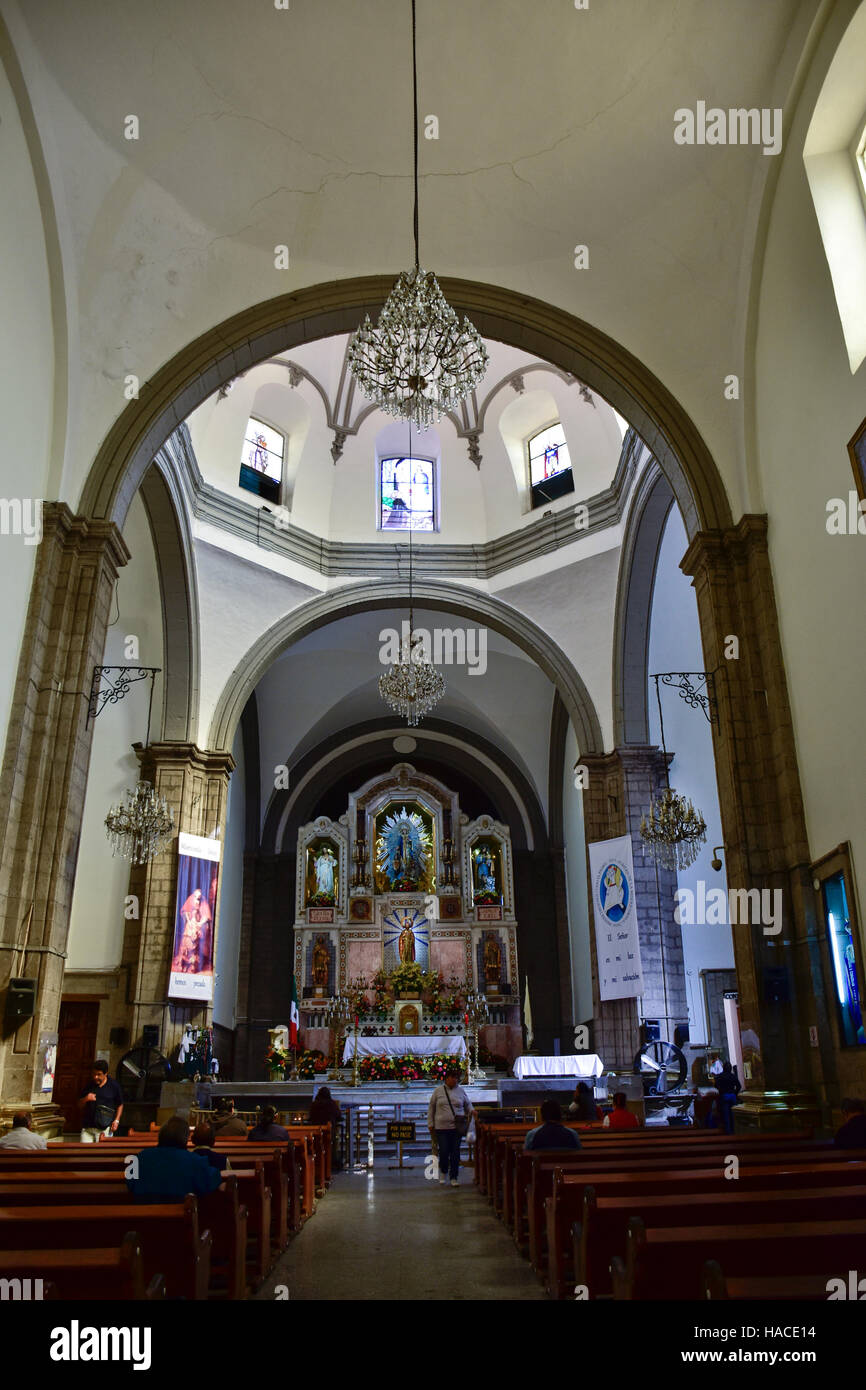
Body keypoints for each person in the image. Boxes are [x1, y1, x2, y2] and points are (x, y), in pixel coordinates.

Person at [126, 1116, 223, 1204]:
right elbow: (212, 1179)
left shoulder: (140, 1157)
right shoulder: (196, 1161)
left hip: (143, 1218)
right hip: (181, 1221)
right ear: (185, 1139)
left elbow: (130, 1183)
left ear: (161, 1135)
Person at [428, 1067, 473, 1187]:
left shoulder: (461, 1091)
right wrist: (430, 1123)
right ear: (446, 1078)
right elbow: (432, 1108)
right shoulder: (438, 1091)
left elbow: (468, 1105)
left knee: (455, 1152)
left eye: (456, 1078)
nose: (455, 1080)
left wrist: (472, 1112)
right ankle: (443, 1172)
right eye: (452, 1078)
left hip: (456, 1127)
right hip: (441, 1127)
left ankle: (454, 1176)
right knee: (443, 1151)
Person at [78, 1060, 123, 1142]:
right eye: (94, 1074)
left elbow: (120, 1104)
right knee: (84, 1152)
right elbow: (79, 1105)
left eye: (99, 1074)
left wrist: (116, 1120)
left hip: (104, 1128)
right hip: (87, 1128)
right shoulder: (89, 1085)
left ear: (106, 1073)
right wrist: (86, 1099)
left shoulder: (114, 1086)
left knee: (101, 1153)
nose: (95, 1077)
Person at [309, 1085, 343, 1172]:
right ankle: (330, 1165)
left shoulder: (314, 1104)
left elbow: (311, 1117)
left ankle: (317, 1165)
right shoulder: (331, 1104)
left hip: (316, 1131)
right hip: (329, 1132)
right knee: (330, 1146)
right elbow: (338, 1115)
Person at [715, 1060, 741, 1134]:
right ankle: (734, 1130)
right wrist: (735, 1093)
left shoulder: (720, 1076)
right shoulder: (733, 1076)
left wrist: (721, 1090)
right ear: (730, 1068)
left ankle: (728, 1131)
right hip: (732, 1096)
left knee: (726, 1115)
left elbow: (716, 1085)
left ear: (723, 1068)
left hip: (724, 1096)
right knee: (733, 1115)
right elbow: (739, 1086)